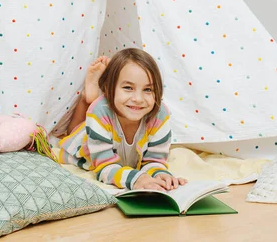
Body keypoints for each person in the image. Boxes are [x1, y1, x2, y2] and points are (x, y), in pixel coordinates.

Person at [59, 48, 187, 191]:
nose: (138, 99)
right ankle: (87, 98)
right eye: (128, 87)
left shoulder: (160, 113)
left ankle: (91, 98)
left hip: (106, 129)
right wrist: (137, 179)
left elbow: (154, 160)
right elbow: (104, 167)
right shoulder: (100, 111)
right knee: (75, 135)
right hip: (85, 148)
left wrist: (160, 174)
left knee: (88, 126)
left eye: (148, 90)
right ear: (108, 88)